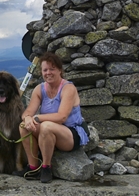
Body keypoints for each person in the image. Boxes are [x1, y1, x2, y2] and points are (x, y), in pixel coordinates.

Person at [13, 51, 89, 183]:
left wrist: (37, 118)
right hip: (48, 132)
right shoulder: (40, 89)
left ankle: (46, 167)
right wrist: (27, 118)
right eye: (45, 70)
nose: (48, 73)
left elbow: (62, 117)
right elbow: (27, 112)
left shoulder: (68, 88)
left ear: (60, 70)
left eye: (52, 69)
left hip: (70, 133)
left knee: (46, 126)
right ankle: (33, 168)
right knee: (24, 126)